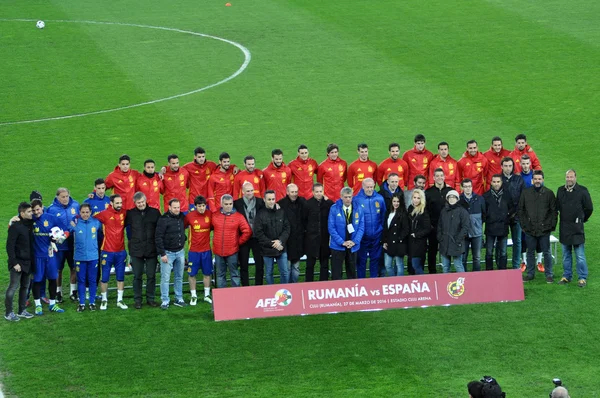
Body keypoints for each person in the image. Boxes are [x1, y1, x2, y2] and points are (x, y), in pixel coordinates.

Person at [519, 170, 558, 283]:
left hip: (544, 229)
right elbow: (521, 210)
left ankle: (549, 274)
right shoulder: (526, 193)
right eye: (535, 179)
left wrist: (551, 226)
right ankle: (530, 274)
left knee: (546, 252)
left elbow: (554, 212)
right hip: (529, 229)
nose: (537, 181)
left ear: (543, 180)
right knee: (530, 252)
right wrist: (524, 225)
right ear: (532, 180)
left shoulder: (549, 193)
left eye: (539, 179)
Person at [557, 169, 593, 287]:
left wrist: (582, 218)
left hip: (577, 228)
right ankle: (567, 276)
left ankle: (582, 277)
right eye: (567, 177)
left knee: (580, 255)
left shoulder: (582, 191)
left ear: (575, 178)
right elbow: (558, 207)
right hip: (564, 227)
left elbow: (589, 208)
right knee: (566, 255)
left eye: (571, 177)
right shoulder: (560, 190)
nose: (569, 179)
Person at [126, 192, 161, 309]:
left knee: (151, 276)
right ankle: (138, 300)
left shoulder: (155, 213)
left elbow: (160, 230)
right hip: (136, 250)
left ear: (146, 201)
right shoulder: (130, 214)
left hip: (151, 250)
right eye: (138, 203)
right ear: (135, 203)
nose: (140, 204)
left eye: (142, 202)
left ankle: (150, 299)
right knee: (137, 276)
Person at [30, 199, 65, 315]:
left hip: (50, 255)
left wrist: (59, 238)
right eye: (34, 210)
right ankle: (38, 305)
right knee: (37, 280)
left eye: (38, 209)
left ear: (42, 207)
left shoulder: (51, 218)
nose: (36, 212)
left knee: (52, 279)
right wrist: (12, 220)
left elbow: (65, 230)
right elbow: (17, 221)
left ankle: (52, 304)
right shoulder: (30, 219)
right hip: (37, 256)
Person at [94, 194, 128, 310]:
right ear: (111, 203)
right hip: (107, 251)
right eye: (117, 203)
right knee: (105, 277)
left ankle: (120, 300)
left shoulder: (124, 213)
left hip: (121, 251)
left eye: (120, 203)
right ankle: (104, 300)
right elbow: (90, 218)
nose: (119, 205)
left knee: (120, 277)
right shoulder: (104, 214)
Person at [46, 187, 80, 303]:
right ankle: (58, 292)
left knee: (73, 268)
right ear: (57, 197)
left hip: (73, 243)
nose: (65, 199)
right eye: (62, 197)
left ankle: (73, 292)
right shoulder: (51, 209)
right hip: (59, 246)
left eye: (67, 196)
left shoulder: (75, 205)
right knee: (58, 270)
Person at [212, 194, 252, 288]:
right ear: (221, 204)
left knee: (234, 274)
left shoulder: (238, 217)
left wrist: (238, 242)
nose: (228, 206)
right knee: (220, 274)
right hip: (218, 251)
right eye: (226, 204)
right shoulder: (215, 215)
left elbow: (247, 231)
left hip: (232, 251)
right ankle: (222, 295)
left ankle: (236, 293)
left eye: (230, 204)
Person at [5, 202, 35, 321]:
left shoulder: (30, 224)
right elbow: (9, 246)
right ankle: (8, 313)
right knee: (13, 287)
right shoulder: (15, 226)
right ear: (22, 213)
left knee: (25, 287)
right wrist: (14, 263)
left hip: (28, 262)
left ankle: (22, 310)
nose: (31, 213)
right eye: (29, 212)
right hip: (18, 262)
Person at [155, 199, 187, 309]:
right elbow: (158, 237)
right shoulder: (163, 219)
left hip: (180, 252)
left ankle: (179, 298)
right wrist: (162, 254)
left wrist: (183, 240)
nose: (177, 209)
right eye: (175, 207)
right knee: (165, 278)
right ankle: (165, 300)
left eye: (178, 207)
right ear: (169, 207)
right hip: (168, 253)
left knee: (179, 277)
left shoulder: (182, 217)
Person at [254, 190, 291, 284]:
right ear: (264, 200)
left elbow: (287, 228)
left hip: (281, 248)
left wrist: (280, 241)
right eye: (269, 199)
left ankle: (285, 291)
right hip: (267, 250)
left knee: (285, 273)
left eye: (273, 199)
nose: (271, 201)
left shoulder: (281, 212)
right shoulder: (260, 214)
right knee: (268, 273)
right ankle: (271, 292)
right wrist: (273, 244)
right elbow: (259, 233)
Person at [328, 187, 364, 280]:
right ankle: (336, 291)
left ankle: (352, 291)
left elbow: (361, 227)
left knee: (352, 271)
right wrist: (342, 242)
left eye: (350, 197)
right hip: (337, 246)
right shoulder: (334, 208)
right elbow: (331, 228)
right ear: (341, 197)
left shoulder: (358, 208)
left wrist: (355, 241)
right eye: (346, 197)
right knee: (336, 273)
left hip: (353, 246)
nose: (348, 199)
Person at [234, 182, 266, 286]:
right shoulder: (237, 203)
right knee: (243, 264)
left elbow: (270, 210)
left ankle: (258, 286)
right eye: (248, 191)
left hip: (257, 238)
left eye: (252, 190)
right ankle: (245, 287)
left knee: (259, 264)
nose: (250, 193)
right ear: (243, 192)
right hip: (244, 238)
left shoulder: (260, 202)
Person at [184, 196, 215, 303]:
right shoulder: (189, 216)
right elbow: (181, 227)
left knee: (207, 273)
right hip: (193, 251)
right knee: (192, 274)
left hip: (206, 250)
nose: (202, 208)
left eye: (203, 206)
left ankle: (207, 295)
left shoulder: (210, 214)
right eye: (199, 206)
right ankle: (194, 295)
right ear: (195, 206)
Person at [354, 178, 386, 278]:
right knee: (361, 260)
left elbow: (383, 215)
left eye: (371, 187)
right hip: (362, 237)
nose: (370, 189)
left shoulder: (380, 198)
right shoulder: (356, 200)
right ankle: (361, 283)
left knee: (375, 259)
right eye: (367, 187)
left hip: (376, 236)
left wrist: (380, 229)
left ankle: (374, 282)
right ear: (363, 187)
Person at [73, 203, 102, 312]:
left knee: (92, 280)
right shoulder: (75, 223)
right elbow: (66, 231)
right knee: (81, 280)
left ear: (90, 212)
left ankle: (92, 302)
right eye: (83, 212)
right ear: (79, 213)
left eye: (87, 212)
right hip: (79, 257)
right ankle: (81, 303)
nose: (85, 214)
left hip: (93, 257)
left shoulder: (96, 222)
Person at [482, 175, 515, 270]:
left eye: (498, 182)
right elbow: (483, 212)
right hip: (490, 228)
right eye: (494, 182)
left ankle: (502, 271)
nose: (496, 184)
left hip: (503, 227)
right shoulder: (486, 196)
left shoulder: (507, 195)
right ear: (491, 183)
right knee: (489, 251)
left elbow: (512, 209)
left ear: (501, 183)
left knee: (503, 252)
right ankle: (489, 271)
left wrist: (506, 218)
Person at [303, 183, 333, 281]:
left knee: (324, 264)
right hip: (311, 240)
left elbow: (336, 207)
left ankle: (323, 285)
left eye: (320, 191)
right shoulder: (308, 204)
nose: (319, 194)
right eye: (317, 192)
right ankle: (308, 284)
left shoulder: (328, 204)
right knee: (310, 265)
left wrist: (328, 200)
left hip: (324, 239)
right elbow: (304, 221)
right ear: (313, 192)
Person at [425, 168, 452, 274]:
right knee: (432, 250)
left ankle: (447, 271)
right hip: (434, 228)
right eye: (437, 176)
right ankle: (432, 272)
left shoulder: (450, 191)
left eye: (441, 175)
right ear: (433, 178)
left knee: (447, 250)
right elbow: (425, 211)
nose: (439, 178)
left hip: (447, 227)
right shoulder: (428, 192)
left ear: (444, 177)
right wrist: (430, 225)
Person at [278, 184, 306, 283]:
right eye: (292, 192)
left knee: (296, 268)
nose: (294, 194)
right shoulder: (281, 204)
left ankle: (294, 286)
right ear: (287, 192)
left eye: (296, 192)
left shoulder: (302, 202)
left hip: (298, 240)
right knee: (287, 268)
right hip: (286, 241)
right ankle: (286, 287)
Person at [500, 157, 524, 269]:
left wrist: (516, 213)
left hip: (517, 215)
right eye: (506, 166)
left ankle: (516, 267)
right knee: (502, 242)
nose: (508, 168)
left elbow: (522, 198)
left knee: (517, 242)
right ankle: (502, 267)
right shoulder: (498, 179)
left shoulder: (519, 179)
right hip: (502, 216)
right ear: (501, 166)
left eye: (510, 166)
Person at [438, 190, 470, 273]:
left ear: (457, 199)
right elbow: (439, 225)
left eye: (454, 197)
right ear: (447, 199)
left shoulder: (462, 211)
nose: (452, 199)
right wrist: (440, 237)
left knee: (458, 265)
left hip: (456, 243)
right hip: (444, 242)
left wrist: (458, 239)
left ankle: (463, 283)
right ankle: (446, 284)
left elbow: (465, 227)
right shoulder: (443, 211)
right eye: (450, 197)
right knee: (445, 266)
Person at [459, 179, 485, 272]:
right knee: (463, 257)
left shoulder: (479, 199)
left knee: (477, 257)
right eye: (465, 187)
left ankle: (477, 277)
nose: (467, 189)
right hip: (463, 234)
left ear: (472, 187)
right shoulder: (458, 200)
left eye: (469, 186)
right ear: (462, 188)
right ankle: (463, 277)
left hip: (476, 233)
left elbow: (484, 215)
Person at [382, 194, 409, 276]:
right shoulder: (388, 212)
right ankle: (393, 281)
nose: (396, 203)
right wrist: (384, 241)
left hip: (399, 243)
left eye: (398, 201)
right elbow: (385, 228)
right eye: (394, 201)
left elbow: (406, 229)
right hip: (389, 242)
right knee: (387, 265)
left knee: (399, 265)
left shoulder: (403, 214)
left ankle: (399, 282)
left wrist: (399, 239)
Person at [407, 189, 430, 275]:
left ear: (421, 199)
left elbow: (427, 228)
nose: (416, 200)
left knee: (416, 265)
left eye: (418, 198)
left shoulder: (424, 211)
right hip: (410, 242)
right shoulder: (410, 208)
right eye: (414, 197)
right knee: (412, 267)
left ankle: (424, 282)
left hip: (419, 243)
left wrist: (416, 235)